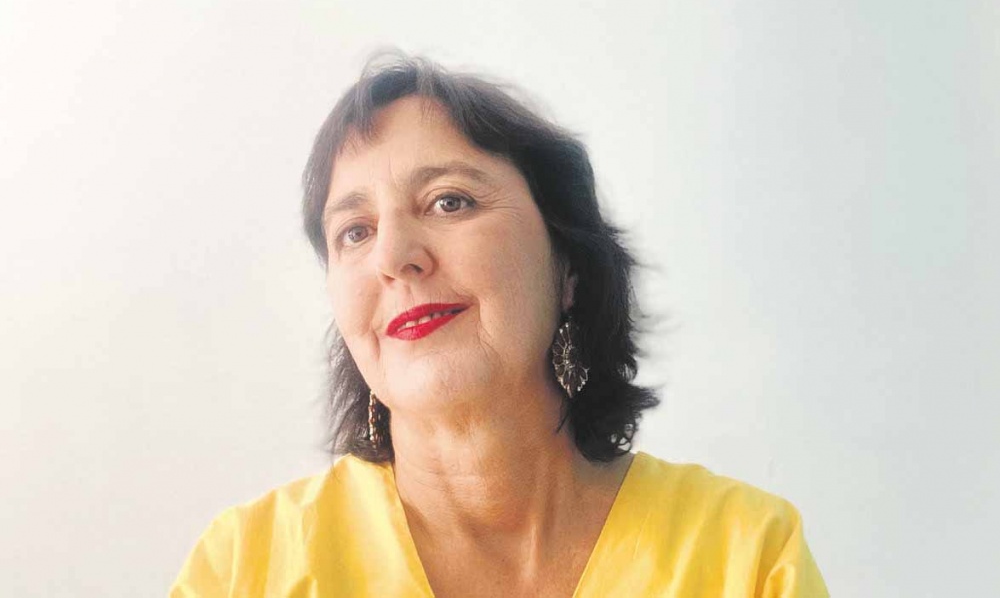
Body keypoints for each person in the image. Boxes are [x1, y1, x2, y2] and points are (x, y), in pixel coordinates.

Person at [170, 53, 829, 597]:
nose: (394, 256)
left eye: (448, 202)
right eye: (355, 231)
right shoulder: (243, 570)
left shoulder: (747, 558)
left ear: (568, 266)